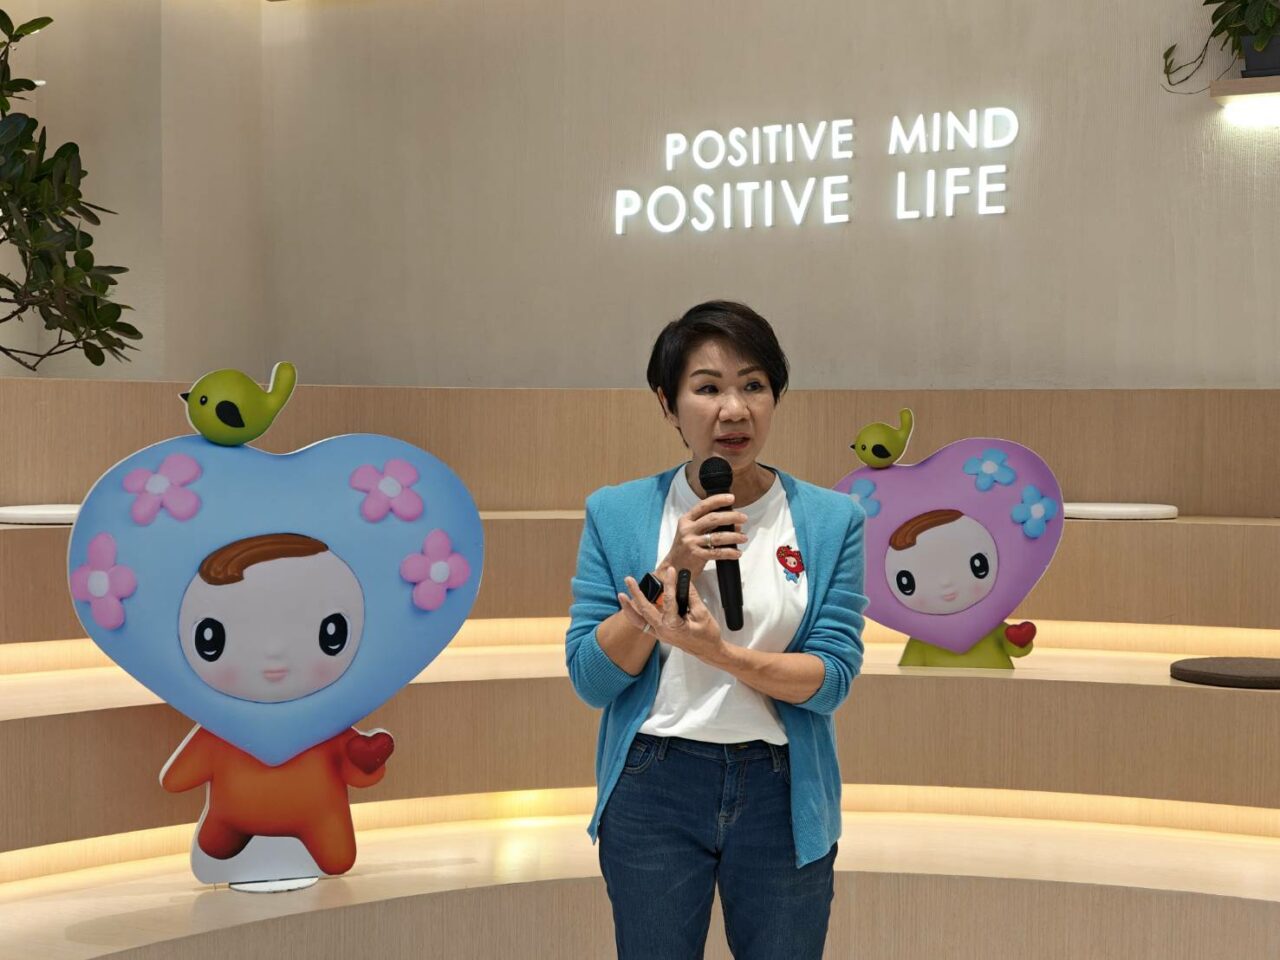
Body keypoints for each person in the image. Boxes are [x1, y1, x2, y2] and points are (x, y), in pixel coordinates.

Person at [565, 301, 867, 959]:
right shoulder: (617, 513)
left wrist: (721, 654)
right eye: (707, 388)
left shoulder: (831, 520)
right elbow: (591, 678)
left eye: (753, 385)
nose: (734, 410)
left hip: (782, 788)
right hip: (654, 781)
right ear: (668, 405)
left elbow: (832, 680)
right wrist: (672, 568)